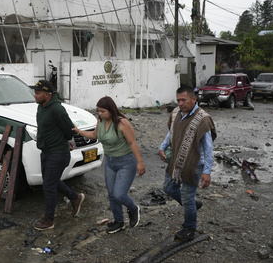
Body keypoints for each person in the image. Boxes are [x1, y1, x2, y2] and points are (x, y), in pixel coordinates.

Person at [73, 96, 146, 234]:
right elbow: (95, 135)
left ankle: (133, 208)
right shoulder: (100, 121)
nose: (99, 114)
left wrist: (140, 163)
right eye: (98, 111)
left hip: (126, 162)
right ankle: (119, 222)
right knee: (112, 195)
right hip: (110, 162)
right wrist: (79, 131)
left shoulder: (122, 123)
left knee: (119, 194)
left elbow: (132, 143)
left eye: (102, 111)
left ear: (111, 110)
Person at [159, 86, 217, 241]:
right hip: (176, 160)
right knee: (168, 187)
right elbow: (171, 132)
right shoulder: (176, 113)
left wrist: (207, 171)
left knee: (187, 197)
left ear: (194, 99)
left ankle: (189, 228)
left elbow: (208, 148)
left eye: (184, 100)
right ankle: (192, 204)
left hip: (194, 164)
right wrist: (162, 147)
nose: (180, 103)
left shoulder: (203, 119)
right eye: (178, 100)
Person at [30, 80, 85, 231]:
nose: (35, 95)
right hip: (46, 151)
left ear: (47, 94)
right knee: (51, 181)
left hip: (58, 152)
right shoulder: (41, 107)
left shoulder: (57, 109)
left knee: (48, 185)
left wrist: (67, 139)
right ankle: (75, 197)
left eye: (38, 93)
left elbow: (69, 129)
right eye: (35, 92)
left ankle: (49, 219)